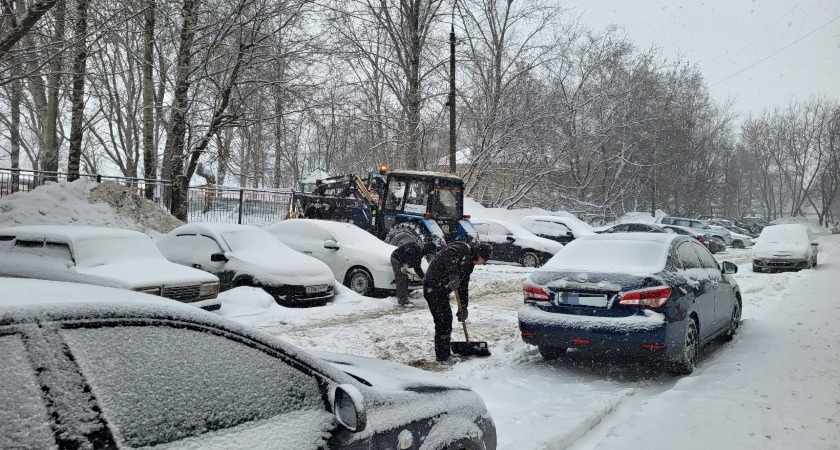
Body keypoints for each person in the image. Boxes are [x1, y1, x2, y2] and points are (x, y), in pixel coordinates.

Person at [422, 241, 492, 363]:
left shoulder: (469, 264)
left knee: (446, 320)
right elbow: (448, 253)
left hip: (441, 290)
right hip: (433, 287)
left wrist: (464, 307)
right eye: (484, 260)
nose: (483, 263)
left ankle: (445, 354)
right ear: (480, 255)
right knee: (443, 321)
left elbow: (463, 286)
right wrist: (453, 275)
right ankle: (443, 357)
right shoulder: (462, 249)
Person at [391, 241, 437, 307]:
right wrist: (403, 266)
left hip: (403, 259)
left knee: (405, 278)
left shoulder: (420, 252)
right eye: (429, 254)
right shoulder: (415, 250)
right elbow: (415, 266)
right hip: (396, 258)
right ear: (427, 251)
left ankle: (404, 297)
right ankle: (402, 302)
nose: (428, 256)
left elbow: (417, 267)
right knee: (401, 279)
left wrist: (422, 277)